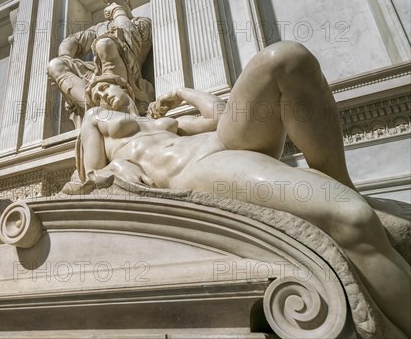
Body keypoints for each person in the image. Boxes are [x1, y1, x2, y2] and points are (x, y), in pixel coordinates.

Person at [68, 41, 411, 336]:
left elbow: (220, 115)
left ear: (126, 89)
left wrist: (180, 93)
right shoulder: (96, 120)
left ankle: (340, 179)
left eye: (106, 87)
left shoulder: (163, 121)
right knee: (351, 219)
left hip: (220, 144)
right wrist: (118, 166)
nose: (100, 93)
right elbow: (91, 174)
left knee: (286, 58)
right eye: (95, 92)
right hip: (196, 170)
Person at [47, 0, 154, 119]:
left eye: (114, 1)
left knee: (104, 44)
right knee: (55, 65)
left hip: (129, 79)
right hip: (98, 77)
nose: (110, 5)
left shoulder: (142, 22)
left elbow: (130, 43)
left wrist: (118, 11)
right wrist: (66, 56)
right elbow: (73, 41)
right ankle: (93, 108)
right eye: (109, 2)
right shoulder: (99, 27)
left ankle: (116, 106)